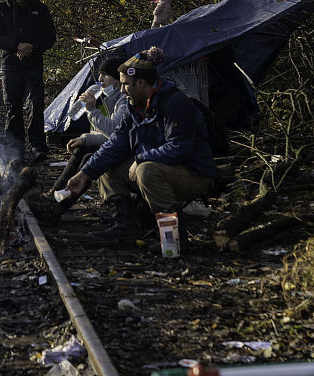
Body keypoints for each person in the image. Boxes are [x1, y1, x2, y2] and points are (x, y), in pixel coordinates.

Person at [61, 48, 216, 243]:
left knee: (146, 170)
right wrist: (86, 173)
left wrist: (141, 158)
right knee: (108, 167)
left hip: (193, 173)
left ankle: (173, 239)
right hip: (159, 169)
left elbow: (180, 148)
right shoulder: (134, 107)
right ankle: (124, 228)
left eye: (125, 84)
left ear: (141, 83)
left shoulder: (174, 103)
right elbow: (116, 142)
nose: (122, 90)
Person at [0, 0, 57, 163]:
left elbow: (50, 36)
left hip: (34, 64)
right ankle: (15, 148)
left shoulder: (40, 9)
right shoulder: (2, 9)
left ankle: (38, 147)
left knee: (35, 104)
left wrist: (32, 47)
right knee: (13, 106)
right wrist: (16, 45)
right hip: (10, 64)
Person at [49, 51, 130, 196]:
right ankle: (56, 193)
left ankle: (61, 195)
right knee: (82, 148)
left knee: (88, 156)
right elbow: (113, 135)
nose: (100, 79)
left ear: (118, 79)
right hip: (120, 146)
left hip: (129, 152)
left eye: (105, 75)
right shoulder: (110, 96)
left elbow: (115, 134)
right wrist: (85, 138)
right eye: (100, 74)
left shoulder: (125, 100)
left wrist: (92, 110)